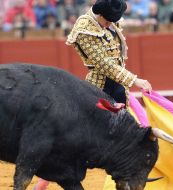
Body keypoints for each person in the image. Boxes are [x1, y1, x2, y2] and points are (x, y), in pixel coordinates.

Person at [33, 0, 152, 189]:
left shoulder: (110, 21)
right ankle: (43, 181)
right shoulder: (84, 28)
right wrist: (134, 80)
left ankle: (126, 176)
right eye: (108, 21)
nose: (111, 24)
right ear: (100, 15)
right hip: (97, 88)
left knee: (123, 134)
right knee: (75, 140)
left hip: (118, 87)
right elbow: (104, 64)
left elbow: (116, 58)